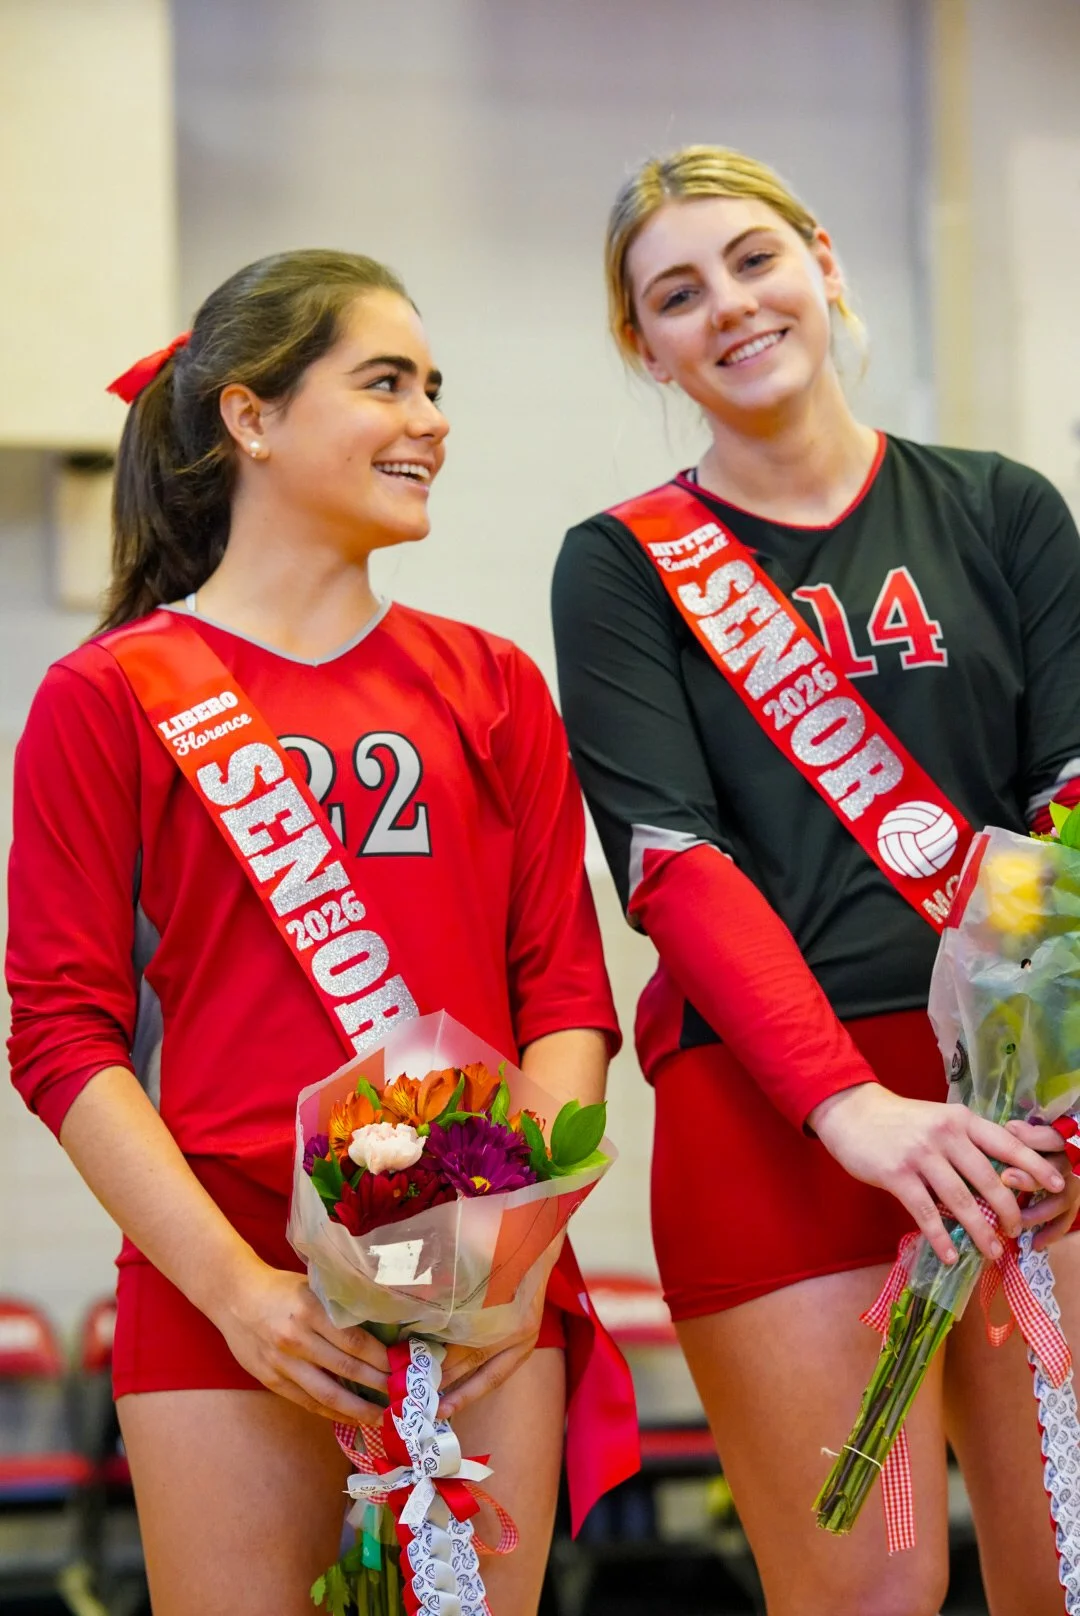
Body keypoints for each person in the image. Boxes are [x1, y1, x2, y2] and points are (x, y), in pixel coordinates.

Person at [7, 249, 630, 1616]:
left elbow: (569, 1001)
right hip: (223, 1286)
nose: (432, 420)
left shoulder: (493, 686)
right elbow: (59, 1034)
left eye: (435, 387)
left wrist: (512, 1267)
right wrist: (239, 1293)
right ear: (251, 416)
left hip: (482, 1293)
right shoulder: (108, 695)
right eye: (386, 382)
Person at [551, 145, 1080, 1616]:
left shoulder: (1004, 509)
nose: (728, 305)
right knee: (865, 1597)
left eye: (752, 259)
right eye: (677, 292)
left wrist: (1033, 1084)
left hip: (1029, 1117)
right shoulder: (618, 568)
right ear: (640, 344)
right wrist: (853, 1111)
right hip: (781, 1128)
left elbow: (1071, 807)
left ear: (823, 259)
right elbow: (674, 865)